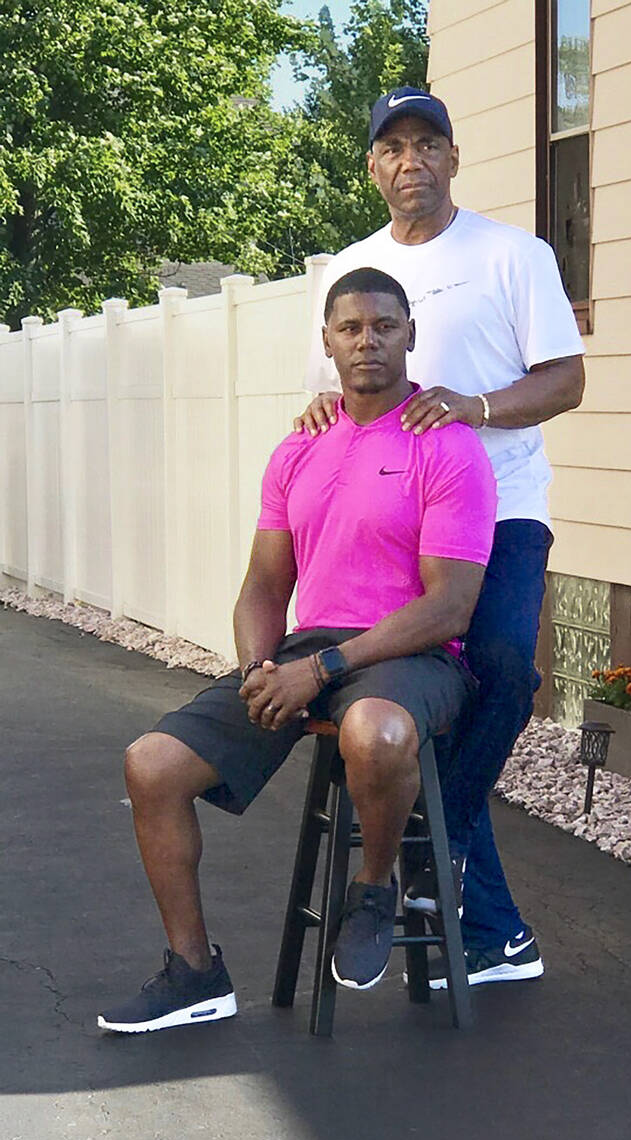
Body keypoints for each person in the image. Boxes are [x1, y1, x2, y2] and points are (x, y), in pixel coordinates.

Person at [97, 267, 496, 1033]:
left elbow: (450, 604)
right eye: (351, 328)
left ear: (409, 335)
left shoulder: (446, 446)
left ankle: (373, 888)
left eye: (384, 325)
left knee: (373, 733)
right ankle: (194, 973)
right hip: (310, 652)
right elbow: (262, 585)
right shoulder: (299, 449)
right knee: (150, 765)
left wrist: (324, 670)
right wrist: (259, 671)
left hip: (415, 655)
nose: (368, 341)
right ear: (328, 342)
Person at [300, 87, 585, 989]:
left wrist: (479, 406)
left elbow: (568, 379)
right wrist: (317, 410)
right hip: (396, 527)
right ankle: (496, 931)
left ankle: (439, 850)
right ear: (374, 166)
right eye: (393, 148)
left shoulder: (512, 254)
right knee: (426, 704)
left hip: (500, 508)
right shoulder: (352, 265)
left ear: (453, 158)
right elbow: (340, 389)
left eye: (428, 144)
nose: (410, 160)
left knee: (502, 666)